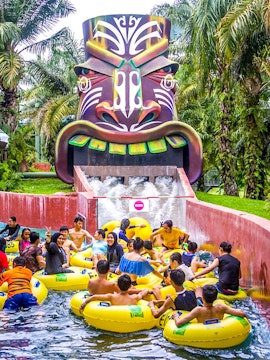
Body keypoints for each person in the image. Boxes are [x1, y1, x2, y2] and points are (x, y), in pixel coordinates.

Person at [172, 284, 246, 327]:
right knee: (198, 292)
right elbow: (242, 313)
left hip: (204, 334)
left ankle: (199, 297)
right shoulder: (221, 307)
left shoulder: (198, 310)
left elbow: (179, 323)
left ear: (203, 297)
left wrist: (175, 316)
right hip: (220, 331)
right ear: (216, 298)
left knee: (198, 296)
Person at [80, 274, 149, 311]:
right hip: (129, 318)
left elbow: (94, 297)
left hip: (115, 316)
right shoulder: (135, 297)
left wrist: (84, 304)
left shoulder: (111, 297)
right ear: (129, 286)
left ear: (118, 285)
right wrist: (146, 290)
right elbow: (143, 293)